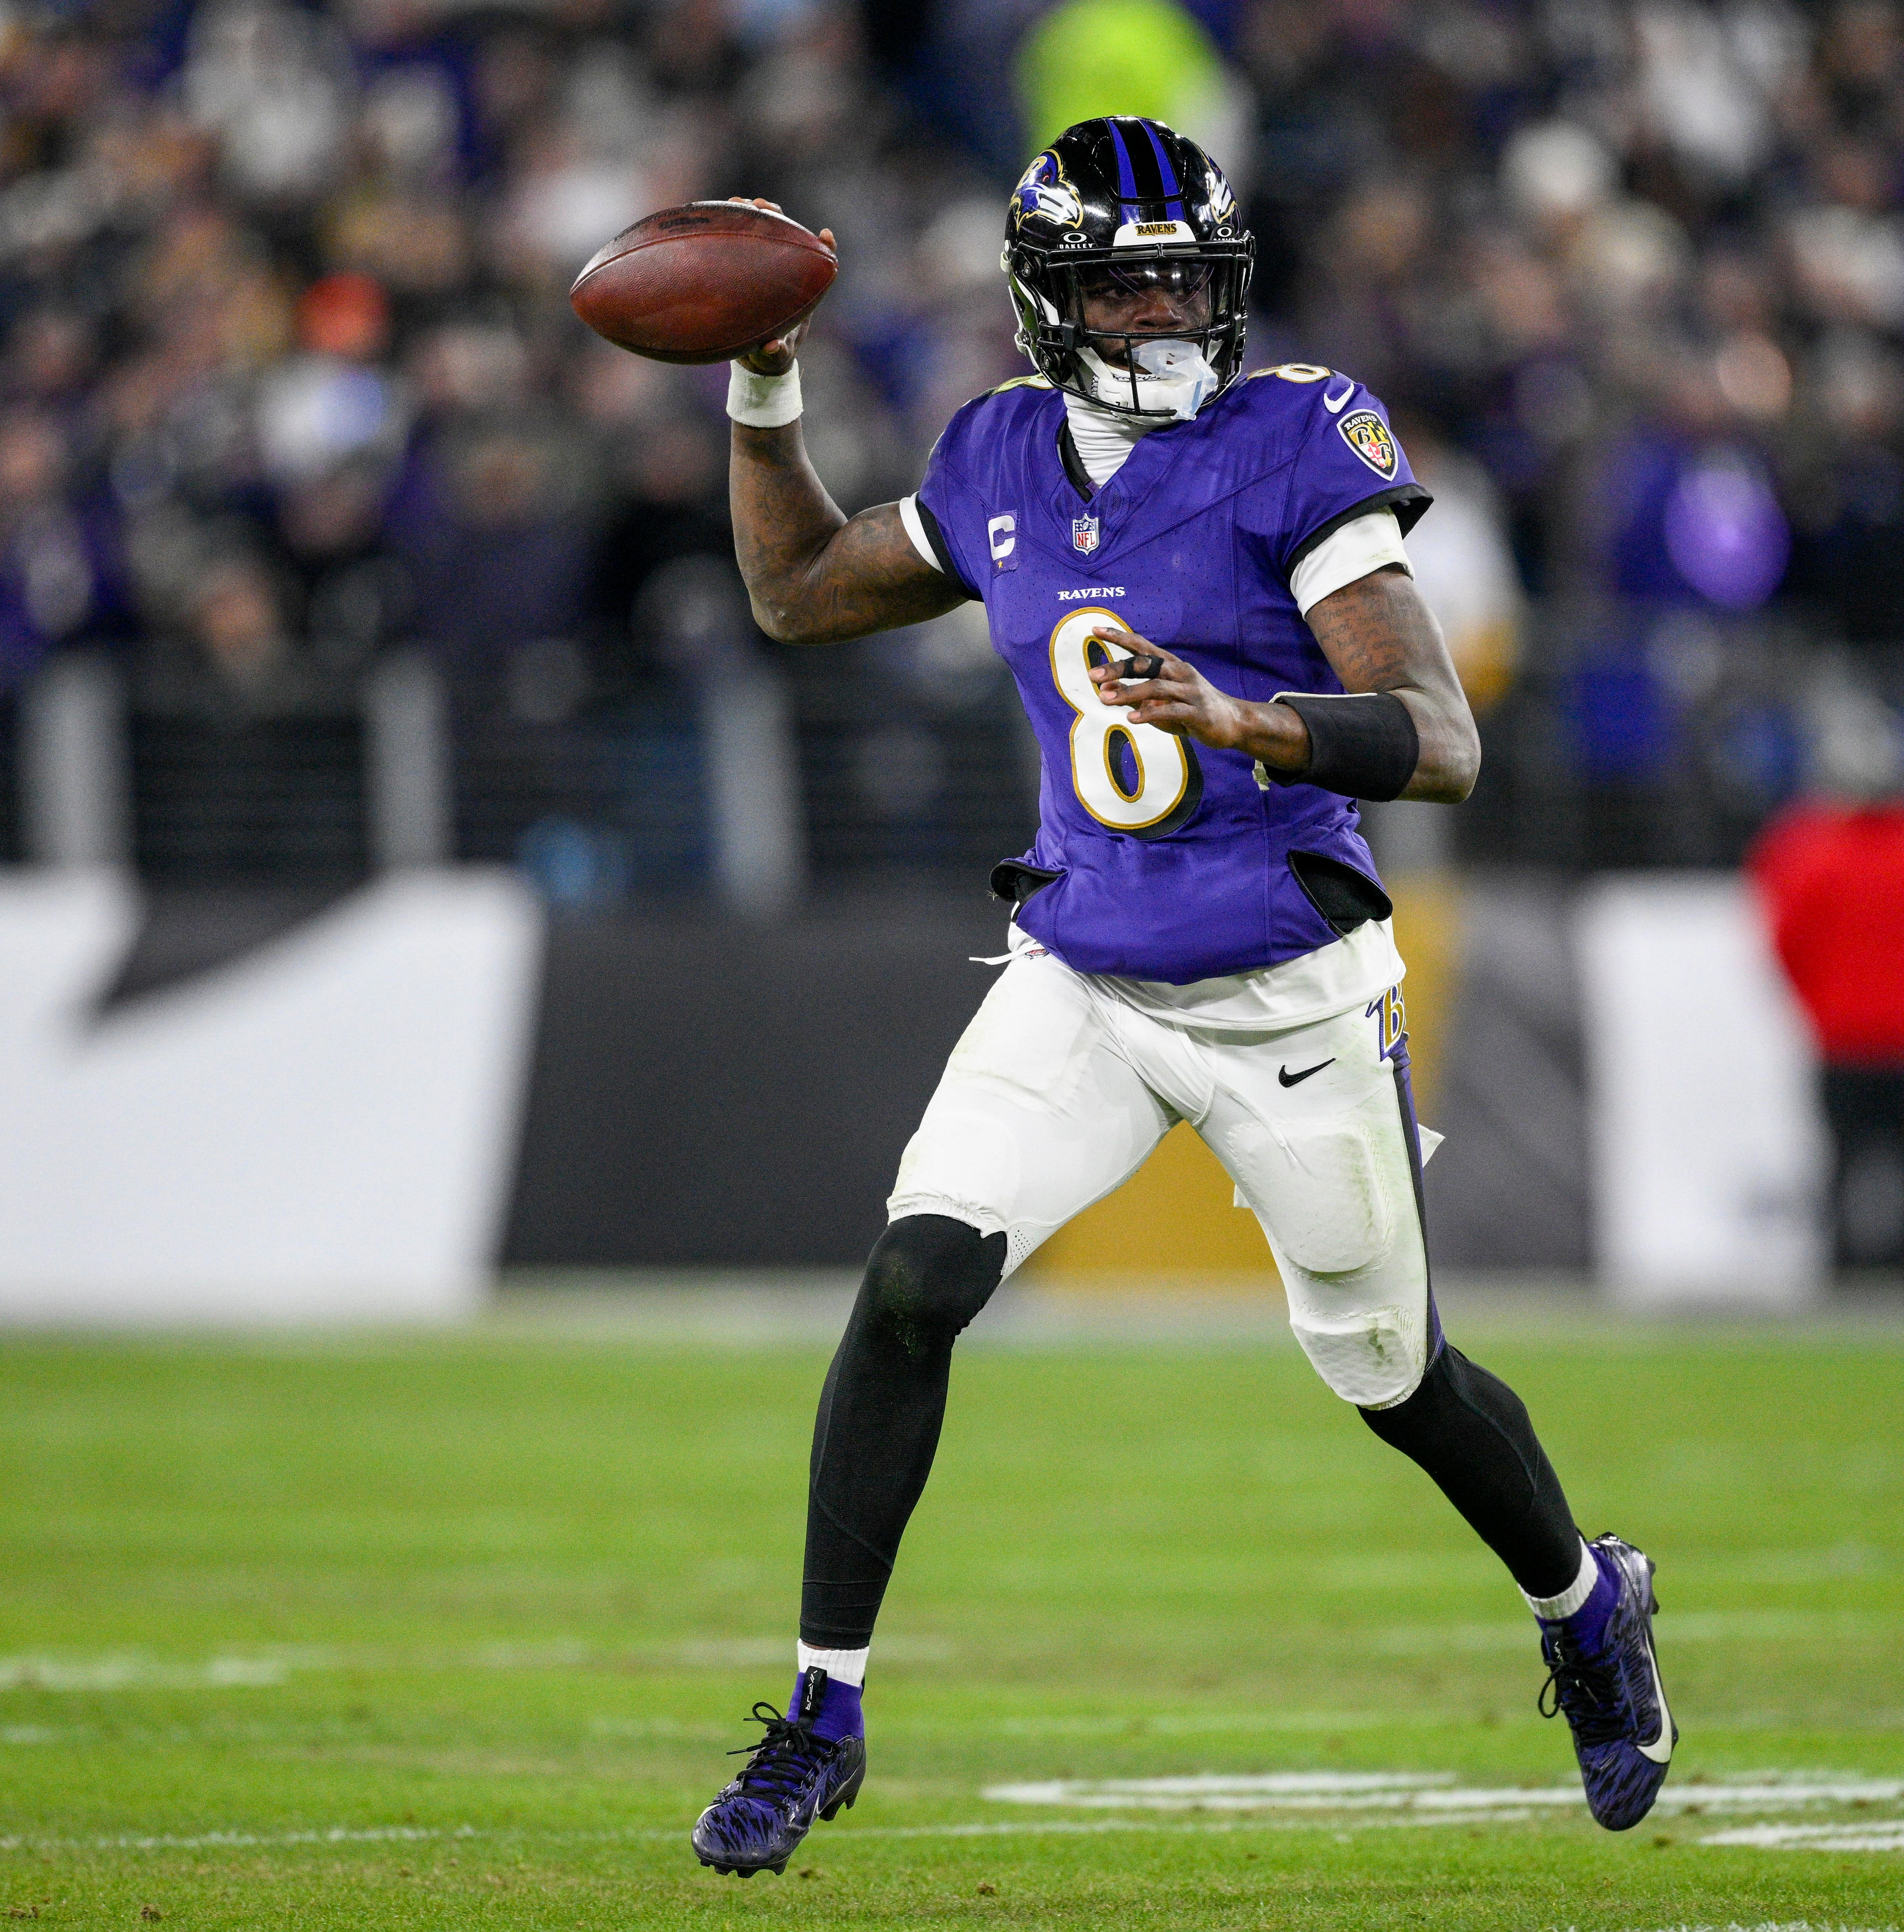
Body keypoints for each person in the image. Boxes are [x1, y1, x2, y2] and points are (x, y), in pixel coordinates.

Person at [683, 118, 1673, 1880]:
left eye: (1183, 278)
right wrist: (764, 386)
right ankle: (822, 1715)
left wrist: (1251, 719)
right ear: (1044, 303)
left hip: (1288, 991)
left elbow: (1439, 737)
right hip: (1083, 964)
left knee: (1393, 1377)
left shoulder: (1293, 439)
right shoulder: (995, 450)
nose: (1158, 311)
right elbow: (795, 588)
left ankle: (1587, 1602)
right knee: (918, 1276)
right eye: (1122, 280)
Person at [1746, 691, 1904, 1275]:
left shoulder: (1805, 847)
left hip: (1841, 1039)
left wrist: (1817, 1006)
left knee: (1840, 1167)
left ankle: (1840, 1279)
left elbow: (1783, 943)